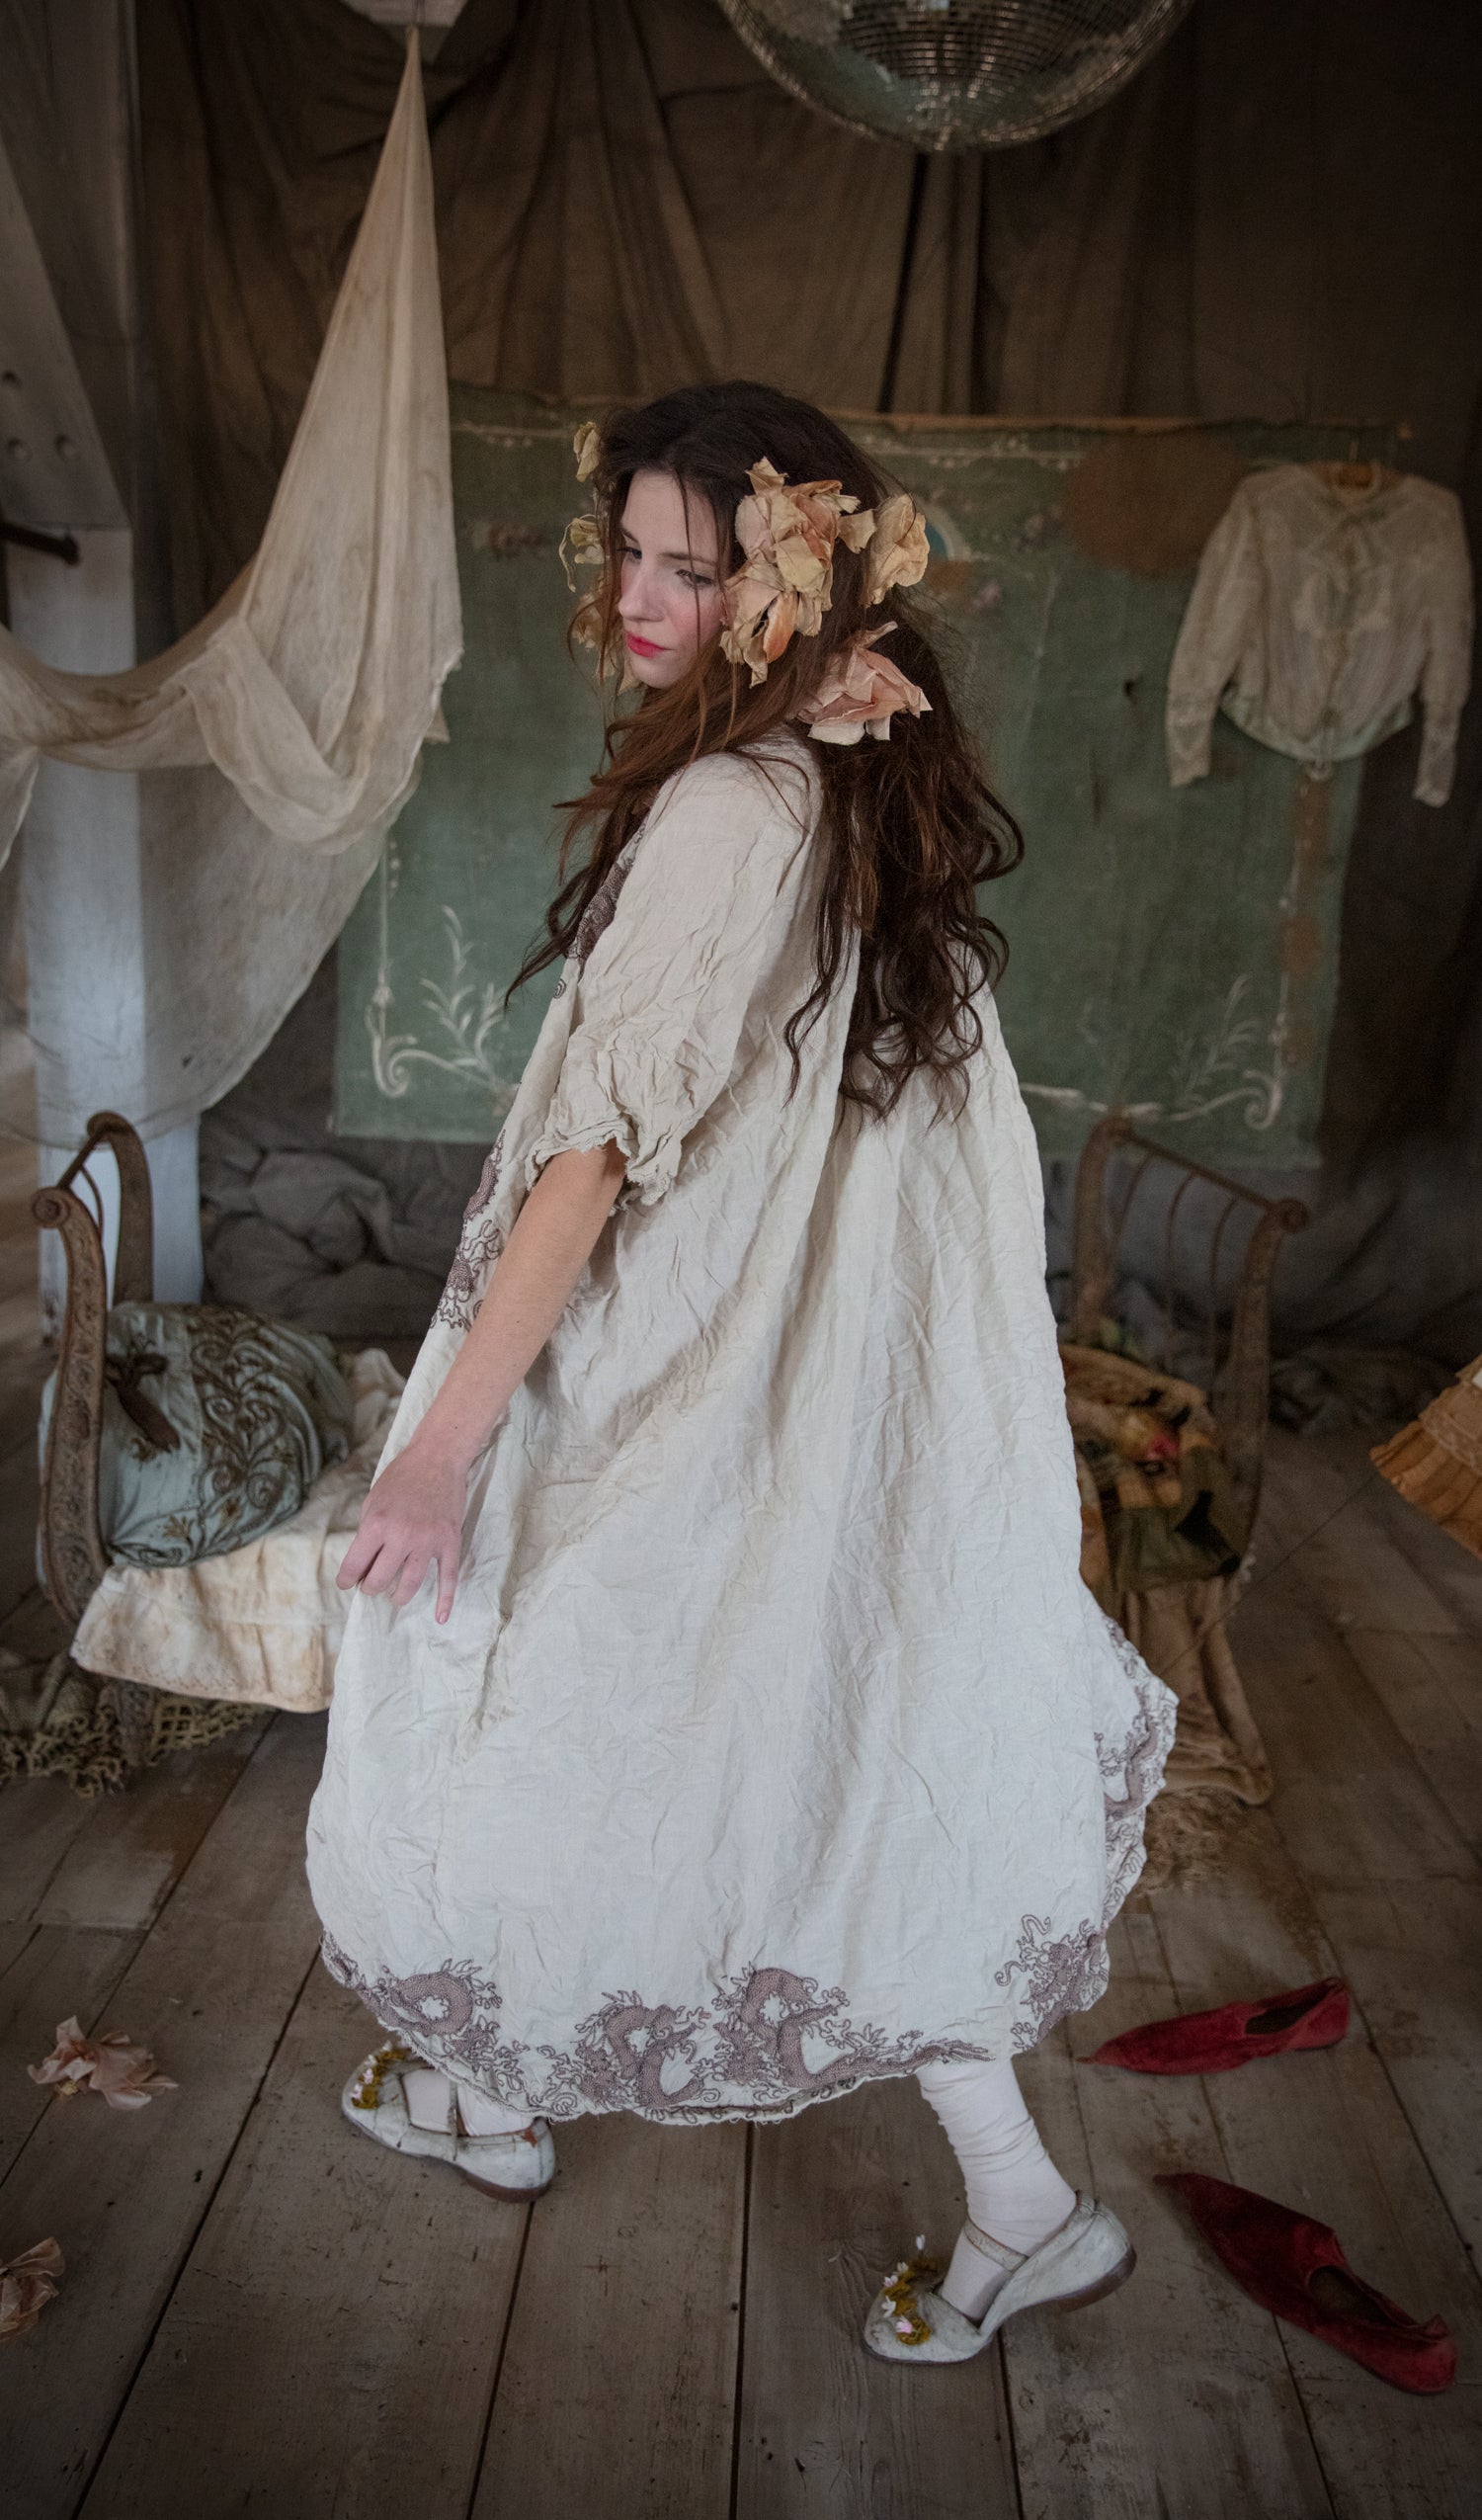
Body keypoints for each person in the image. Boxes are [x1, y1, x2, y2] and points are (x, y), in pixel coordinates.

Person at [305, 381, 1176, 2365]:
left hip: (681, 1367)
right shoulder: (850, 772)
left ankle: (500, 2088)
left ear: (792, 585)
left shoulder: (738, 806)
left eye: (693, 568)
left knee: (509, 1700)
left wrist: (439, 1447)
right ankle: (983, 2197)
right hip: (793, 1384)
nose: (639, 595)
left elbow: (594, 1158)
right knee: (807, 1758)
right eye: (628, 550)